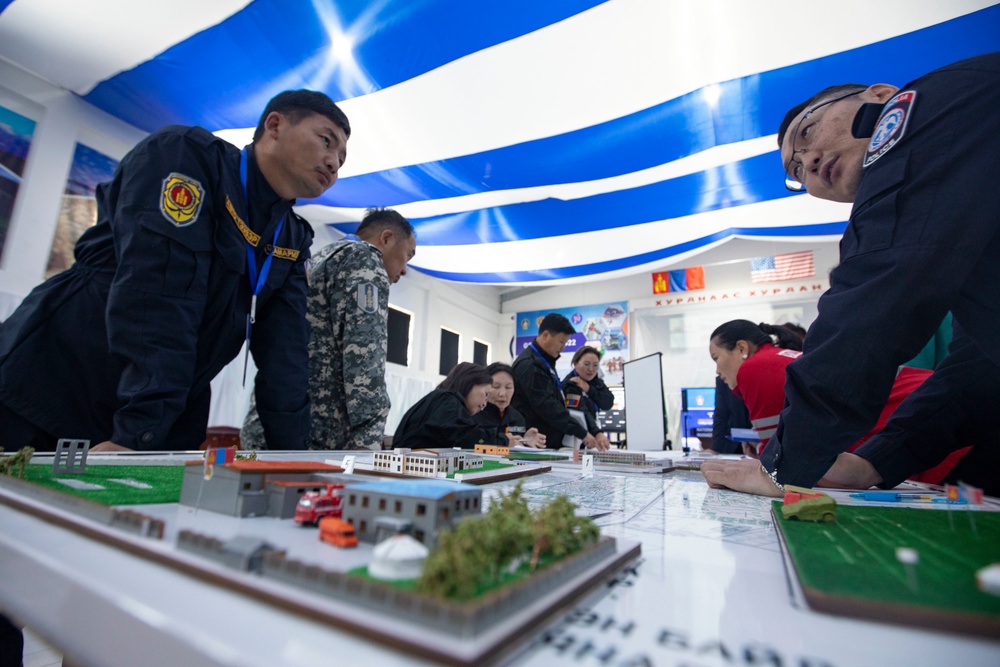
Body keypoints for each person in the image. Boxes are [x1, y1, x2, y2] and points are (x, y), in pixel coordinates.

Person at [703, 53, 1000, 497]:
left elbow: (873, 300)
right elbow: (980, 367)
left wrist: (787, 465)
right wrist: (874, 460)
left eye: (808, 132)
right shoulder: (966, 214)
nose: (810, 161)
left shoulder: (921, 109)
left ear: (880, 95)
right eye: (797, 171)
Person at [0, 90, 350, 453]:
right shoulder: (186, 157)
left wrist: (291, 459)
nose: (333, 163)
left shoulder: (291, 236)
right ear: (274, 125)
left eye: (341, 158)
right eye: (326, 141)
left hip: (157, 412)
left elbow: (287, 354)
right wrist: (141, 431)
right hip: (53, 385)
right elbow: (158, 298)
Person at [241, 207, 416, 450]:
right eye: (408, 255)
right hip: (313, 438)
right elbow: (364, 356)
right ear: (386, 238)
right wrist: (369, 442)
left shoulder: (322, 257)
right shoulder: (365, 259)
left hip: (274, 424)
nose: (405, 269)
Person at [511, 313, 599, 451]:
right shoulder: (530, 365)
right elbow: (548, 407)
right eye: (562, 342)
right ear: (545, 335)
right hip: (535, 443)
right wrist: (582, 433)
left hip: (548, 442)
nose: (563, 347)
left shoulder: (544, 362)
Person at [391, 362, 495, 450]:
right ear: (469, 382)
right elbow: (467, 438)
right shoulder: (448, 402)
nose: (484, 404)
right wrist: (501, 440)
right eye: (486, 394)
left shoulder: (441, 399)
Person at [473, 362, 546, 448]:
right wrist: (502, 441)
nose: (502, 394)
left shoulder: (517, 417)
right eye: (496, 386)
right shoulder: (473, 414)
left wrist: (525, 440)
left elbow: (517, 445)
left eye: (508, 387)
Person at [561, 346, 614, 451]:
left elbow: (607, 402)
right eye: (586, 364)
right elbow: (579, 411)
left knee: (590, 466)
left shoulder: (595, 382)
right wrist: (597, 433)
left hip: (590, 440)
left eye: (595, 365)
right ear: (576, 363)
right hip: (573, 441)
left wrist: (589, 389)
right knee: (581, 465)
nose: (591, 369)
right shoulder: (570, 385)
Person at [710, 376, 752, 455]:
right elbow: (720, 416)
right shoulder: (722, 381)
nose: (717, 370)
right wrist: (716, 448)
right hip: (733, 447)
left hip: (765, 446)